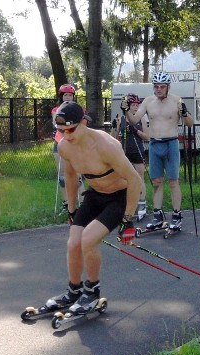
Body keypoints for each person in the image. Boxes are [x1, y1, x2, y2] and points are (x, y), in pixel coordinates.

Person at [40, 102, 142, 315]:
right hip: (94, 196)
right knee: (73, 243)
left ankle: (92, 291)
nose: (66, 135)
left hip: (118, 198)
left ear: (83, 122)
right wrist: (71, 207)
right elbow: (69, 176)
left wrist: (128, 219)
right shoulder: (65, 146)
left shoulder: (106, 146)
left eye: (70, 129)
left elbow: (134, 179)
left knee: (88, 240)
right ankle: (74, 291)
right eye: (61, 131)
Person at [123, 71, 194, 231]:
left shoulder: (176, 100)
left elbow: (190, 123)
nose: (159, 89)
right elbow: (134, 120)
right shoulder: (148, 101)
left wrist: (184, 113)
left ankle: (176, 215)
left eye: (162, 86)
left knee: (173, 181)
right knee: (156, 182)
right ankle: (157, 215)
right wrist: (126, 109)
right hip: (155, 145)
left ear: (168, 87)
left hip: (171, 144)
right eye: (156, 86)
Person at [110, 93, 149, 221]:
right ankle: (125, 204)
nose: (135, 108)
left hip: (138, 151)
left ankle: (142, 204)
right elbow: (112, 139)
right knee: (124, 178)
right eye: (133, 105)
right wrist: (114, 127)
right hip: (124, 152)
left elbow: (147, 137)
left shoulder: (142, 119)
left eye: (137, 105)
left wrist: (135, 130)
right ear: (127, 106)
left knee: (139, 177)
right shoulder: (121, 119)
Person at [52, 83, 84, 213]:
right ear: (61, 96)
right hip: (59, 143)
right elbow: (55, 122)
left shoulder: (78, 109)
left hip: (73, 143)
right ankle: (66, 203)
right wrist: (61, 109)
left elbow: (81, 124)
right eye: (65, 95)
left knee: (78, 174)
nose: (68, 97)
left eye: (70, 95)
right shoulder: (56, 109)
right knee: (62, 176)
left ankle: (83, 203)